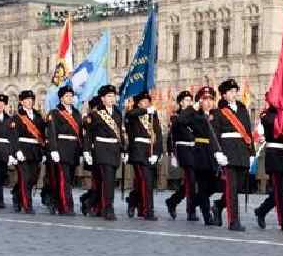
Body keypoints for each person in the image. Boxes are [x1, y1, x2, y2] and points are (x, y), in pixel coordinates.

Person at [211, 79, 254, 232]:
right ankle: (233, 221)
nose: (234, 94)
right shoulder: (218, 112)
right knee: (232, 187)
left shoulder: (242, 110)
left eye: (235, 91)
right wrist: (218, 152)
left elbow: (248, 132)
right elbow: (214, 134)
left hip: (242, 152)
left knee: (237, 187)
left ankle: (218, 205)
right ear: (223, 95)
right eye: (230, 91)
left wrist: (252, 153)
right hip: (228, 152)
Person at [178, 85, 224, 226]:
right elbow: (181, 120)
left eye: (211, 99)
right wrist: (193, 107)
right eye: (205, 99)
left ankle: (193, 202)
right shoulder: (194, 115)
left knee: (215, 185)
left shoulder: (217, 114)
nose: (208, 102)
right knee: (203, 186)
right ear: (200, 101)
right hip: (201, 153)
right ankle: (207, 217)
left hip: (215, 154)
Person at [83, 85, 127, 221]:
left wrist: (124, 150)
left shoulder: (118, 113)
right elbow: (88, 134)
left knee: (107, 181)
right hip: (101, 150)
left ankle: (91, 203)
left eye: (113, 96)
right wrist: (86, 151)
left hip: (114, 150)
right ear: (102, 99)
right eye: (109, 96)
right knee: (108, 180)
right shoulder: (95, 114)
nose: (112, 98)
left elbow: (120, 133)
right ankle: (108, 209)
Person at [254, 99, 283, 231]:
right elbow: (271, 123)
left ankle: (261, 210)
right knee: (280, 190)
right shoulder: (267, 115)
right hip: (274, 156)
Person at [125, 91, 163, 221]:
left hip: (150, 152)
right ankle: (148, 211)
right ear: (138, 103)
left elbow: (158, 135)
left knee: (145, 182)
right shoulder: (134, 114)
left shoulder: (153, 116)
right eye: (143, 102)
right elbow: (130, 114)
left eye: (148, 102)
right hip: (138, 152)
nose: (146, 104)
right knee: (146, 181)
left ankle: (134, 201)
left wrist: (157, 153)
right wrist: (145, 111)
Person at [46, 85, 83, 216]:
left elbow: (80, 134)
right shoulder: (55, 113)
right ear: (61, 98)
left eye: (71, 96)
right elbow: (52, 132)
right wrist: (53, 150)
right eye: (67, 96)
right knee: (63, 179)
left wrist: (82, 151)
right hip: (61, 149)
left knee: (69, 179)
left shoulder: (77, 113)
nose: (70, 98)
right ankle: (65, 206)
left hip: (73, 150)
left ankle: (56, 201)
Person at [10, 90, 46, 214]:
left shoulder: (38, 116)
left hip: (35, 151)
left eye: (31, 100)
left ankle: (17, 195)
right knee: (25, 178)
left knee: (32, 179)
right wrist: (17, 151)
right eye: (27, 100)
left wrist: (44, 151)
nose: (30, 102)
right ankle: (27, 205)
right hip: (23, 150)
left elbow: (42, 135)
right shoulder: (17, 117)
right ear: (22, 101)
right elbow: (13, 135)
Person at [165, 90, 198, 221]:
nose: (189, 103)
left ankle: (172, 201)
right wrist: (172, 153)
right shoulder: (176, 116)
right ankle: (191, 211)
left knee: (191, 181)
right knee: (191, 179)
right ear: (181, 103)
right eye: (186, 100)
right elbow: (171, 136)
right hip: (183, 149)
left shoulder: (195, 115)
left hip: (195, 149)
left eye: (190, 100)